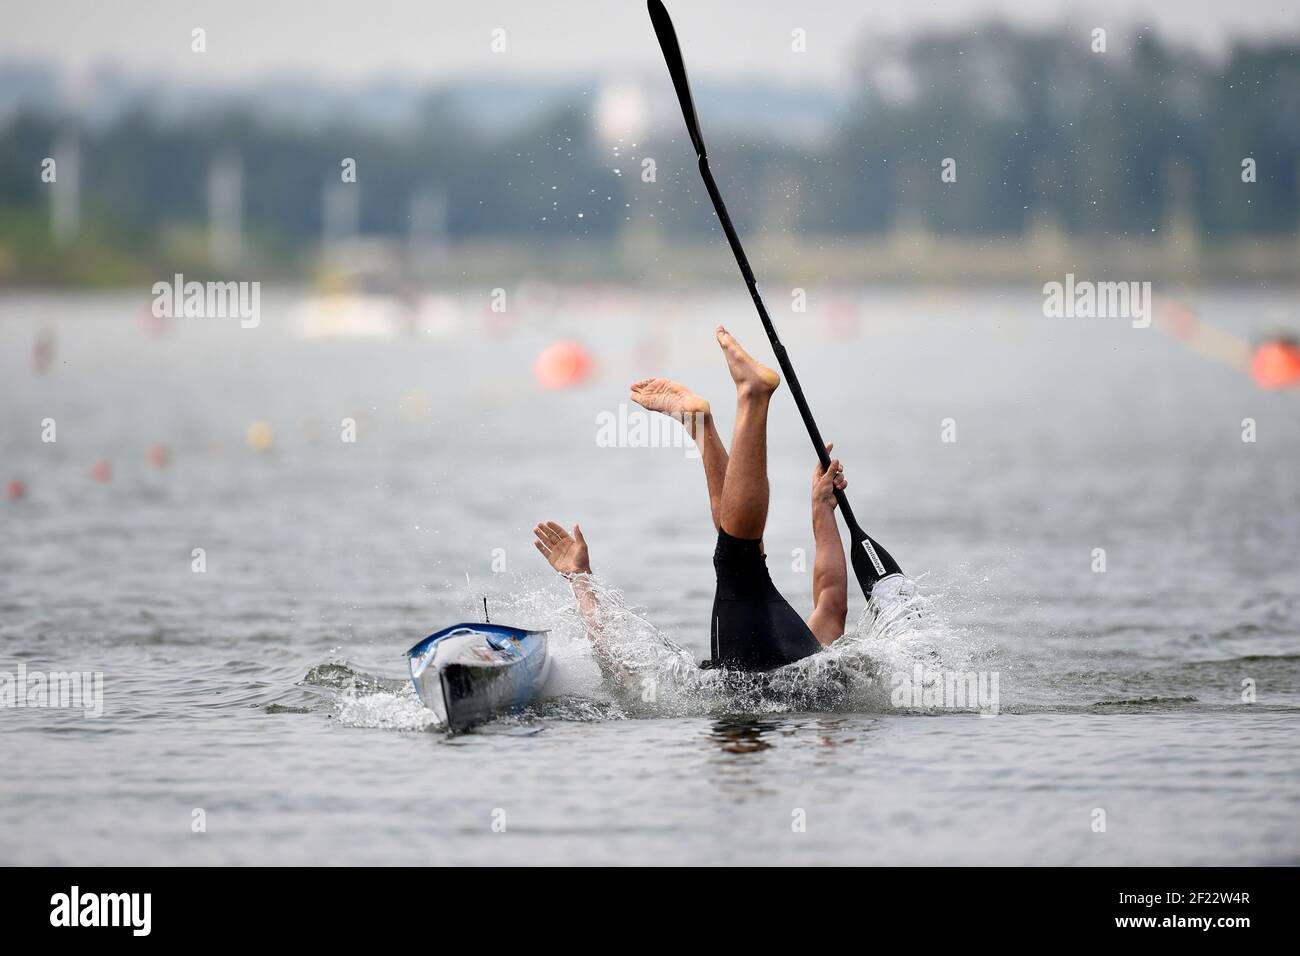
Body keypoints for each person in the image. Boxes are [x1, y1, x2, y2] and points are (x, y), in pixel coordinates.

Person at [534, 326, 850, 673]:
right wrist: (580, 579)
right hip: (767, 658)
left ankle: (748, 398)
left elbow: (832, 603)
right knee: (738, 557)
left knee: (743, 556)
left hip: (802, 642)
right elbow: (618, 670)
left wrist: (822, 510)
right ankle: (744, 402)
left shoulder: (820, 662)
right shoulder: (781, 684)